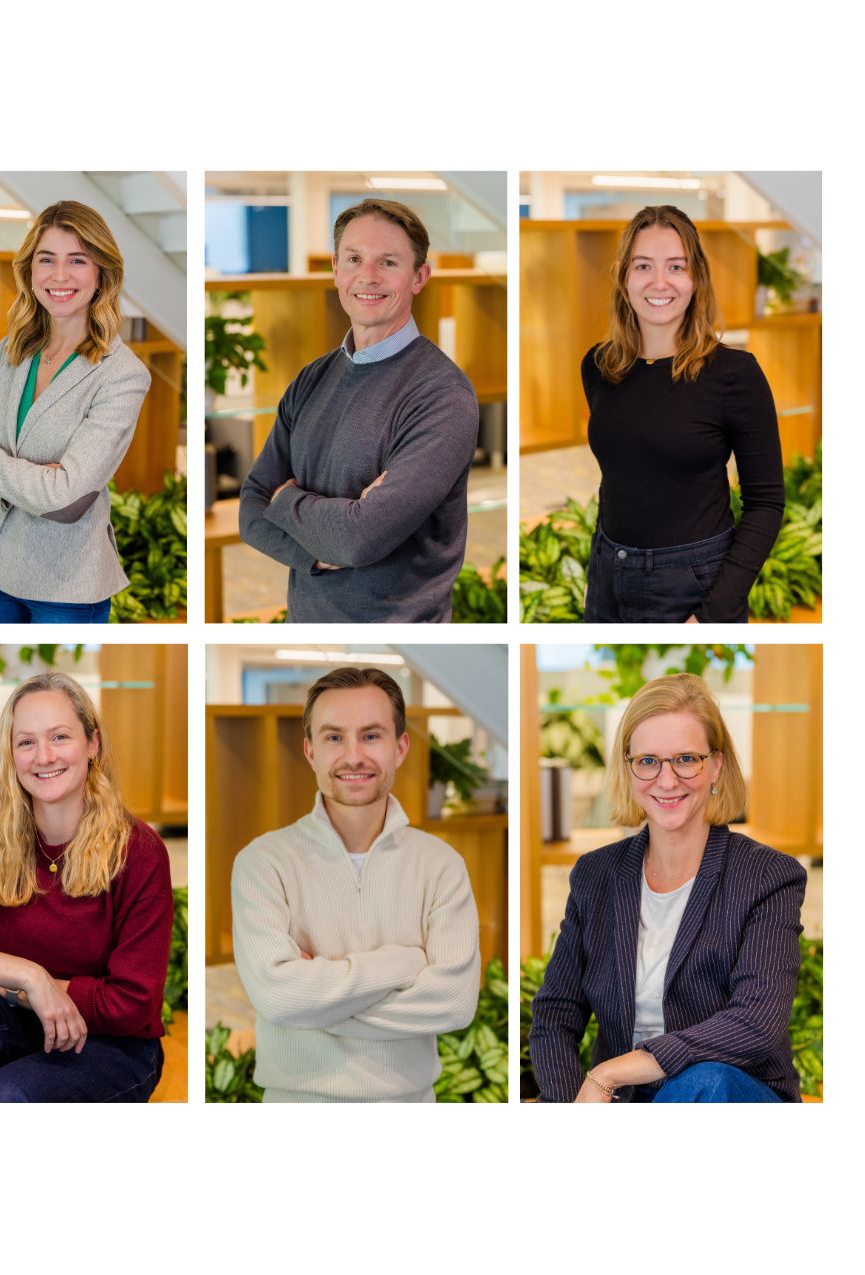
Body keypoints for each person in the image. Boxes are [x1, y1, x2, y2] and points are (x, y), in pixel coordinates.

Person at [0, 672, 172, 1101]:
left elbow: (131, 1003)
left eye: (60, 737)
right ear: (11, 754)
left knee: (7, 1096)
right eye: (26, 742)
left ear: (92, 744)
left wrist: (25, 989)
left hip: (108, 1044)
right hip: (13, 1024)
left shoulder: (139, 850)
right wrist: (31, 979)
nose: (43, 756)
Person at [529, 674, 805, 1102]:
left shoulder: (768, 876)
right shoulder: (595, 875)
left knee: (703, 1080)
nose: (667, 780)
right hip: (628, 1102)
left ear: (715, 765)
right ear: (629, 767)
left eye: (686, 759)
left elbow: (755, 1021)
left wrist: (611, 1073)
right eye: (648, 760)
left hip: (729, 1097)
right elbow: (555, 1014)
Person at [231, 667, 479, 1101]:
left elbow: (455, 1004)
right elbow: (278, 999)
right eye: (333, 737)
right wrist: (405, 963)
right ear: (309, 751)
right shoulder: (262, 863)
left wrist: (315, 1002)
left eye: (371, 736)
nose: (353, 756)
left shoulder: (441, 866)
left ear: (400, 747)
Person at [237, 199, 478, 623]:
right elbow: (251, 511)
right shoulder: (312, 378)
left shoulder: (442, 394)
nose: (368, 276)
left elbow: (358, 540)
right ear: (335, 268)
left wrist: (286, 498)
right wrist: (315, 552)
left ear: (419, 276)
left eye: (388, 262)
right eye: (354, 259)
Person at [0, 201, 151, 623]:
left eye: (77, 261)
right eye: (46, 260)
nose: (59, 275)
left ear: (101, 272)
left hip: (64, 585)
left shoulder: (122, 375)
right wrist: (36, 483)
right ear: (29, 271)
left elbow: (64, 495)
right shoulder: (11, 353)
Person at [581, 206, 783, 623]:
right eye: (643, 266)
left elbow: (766, 503)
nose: (659, 282)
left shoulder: (734, 374)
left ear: (696, 278)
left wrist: (712, 614)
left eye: (676, 266)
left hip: (693, 581)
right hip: (606, 571)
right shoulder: (599, 365)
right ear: (622, 275)